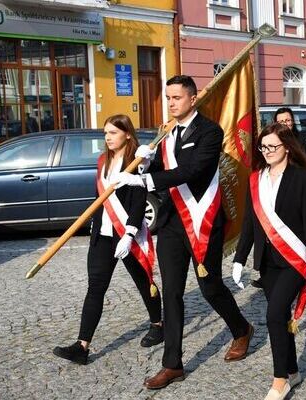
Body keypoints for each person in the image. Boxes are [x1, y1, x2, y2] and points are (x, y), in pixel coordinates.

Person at [118, 75, 253, 390]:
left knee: (209, 287)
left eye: (176, 97)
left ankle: (241, 329)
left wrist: (147, 181)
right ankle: (172, 364)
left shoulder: (209, 131)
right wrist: (144, 167)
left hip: (202, 218)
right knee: (172, 292)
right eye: (168, 98)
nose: (171, 103)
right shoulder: (165, 133)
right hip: (171, 222)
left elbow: (193, 170)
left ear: (193, 98)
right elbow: (161, 170)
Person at [53, 114, 163, 365]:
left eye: (113, 132)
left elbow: (138, 201)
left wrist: (130, 233)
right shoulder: (103, 160)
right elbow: (99, 197)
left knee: (143, 281)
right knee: (95, 288)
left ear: (127, 134)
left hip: (127, 234)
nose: (108, 137)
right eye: (105, 133)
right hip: (102, 235)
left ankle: (158, 324)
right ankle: (82, 345)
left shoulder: (136, 161)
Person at [232, 123, 306, 400]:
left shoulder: (300, 177)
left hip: (294, 261)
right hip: (268, 261)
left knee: (273, 315)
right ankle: (293, 370)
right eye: (264, 147)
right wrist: (239, 259)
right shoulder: (255, 178)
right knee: (281, 317)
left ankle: (280, 379)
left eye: (273, 146)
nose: (268, 151)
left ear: (286, 147)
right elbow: (249, 222)